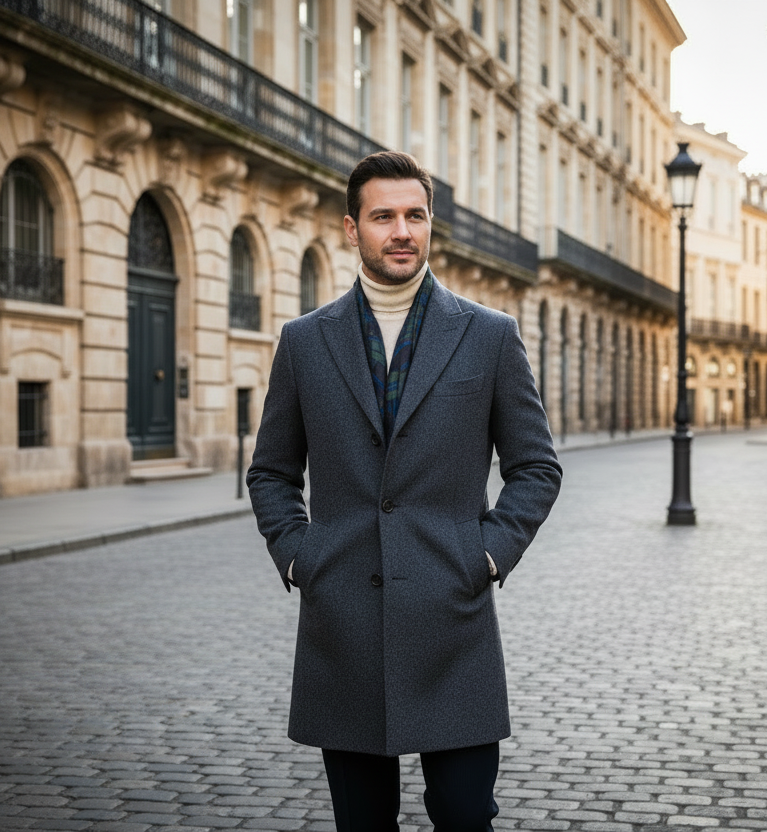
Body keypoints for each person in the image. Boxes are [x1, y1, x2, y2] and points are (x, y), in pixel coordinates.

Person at [247, 150, 562, 831]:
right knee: (361, 823)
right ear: (350, 227)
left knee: (463, 812)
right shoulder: (305, 342)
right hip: (344, 620)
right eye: (383, 216)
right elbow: (271, 471)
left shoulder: (489, 335)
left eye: (414, 215)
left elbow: (536, 467)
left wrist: (485, 555)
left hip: (454, 617)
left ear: (429, 225)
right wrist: (302, 556)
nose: (401, 231)